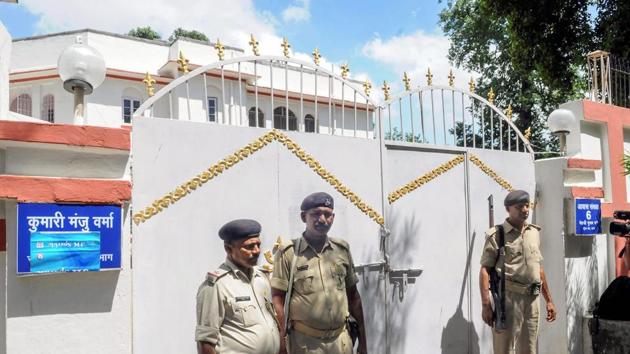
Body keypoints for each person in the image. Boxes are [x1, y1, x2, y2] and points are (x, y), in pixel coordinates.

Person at [271, 192, 368, 354]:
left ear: (333, 217)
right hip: (306, 344)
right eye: (315, 214)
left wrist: (363, 342)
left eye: (327, 214)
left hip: (341, 342)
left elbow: (354, 297)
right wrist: (281, 345)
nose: (322, 219)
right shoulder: (288, 253)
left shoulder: (342, 250)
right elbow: (278, 300)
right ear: (303, 217)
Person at [479, 190, 556, 354]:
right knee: (504, 350)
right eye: (520, 206)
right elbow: (485, 270)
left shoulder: (533, 232)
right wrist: (486, 304)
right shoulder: (497, 235)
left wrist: (549, 300)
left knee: (529, 349)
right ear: (508, 209)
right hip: (509, 300)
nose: (525, 209)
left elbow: (538, 268)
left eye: (527, 205)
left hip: (533, 299)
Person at [195, 219, 280, 354]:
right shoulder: (216, 285)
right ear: (229, 248)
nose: (257, 251)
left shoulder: (261, 278)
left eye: (258, 245)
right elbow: (206, 342)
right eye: (249, 247)